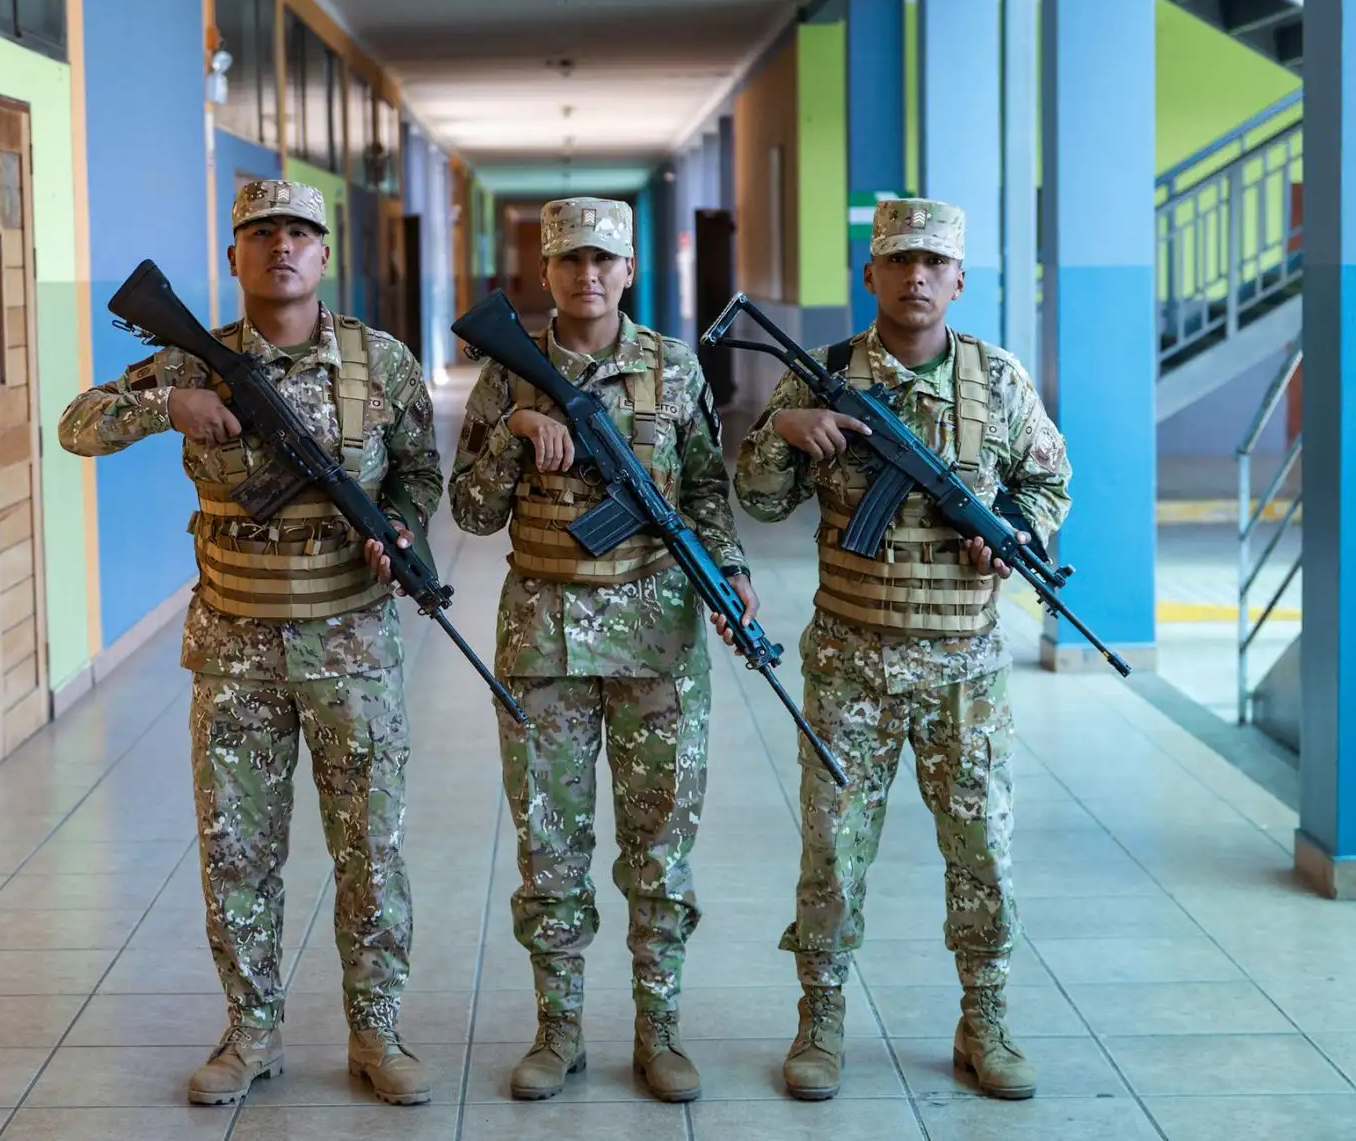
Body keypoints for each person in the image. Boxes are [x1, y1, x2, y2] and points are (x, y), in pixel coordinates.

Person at [57, 179, 440, 1108]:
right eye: (261, 233)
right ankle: (251, 1031)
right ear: (234, 256)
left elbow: (423, 473)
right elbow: (76, 424)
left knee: (371, 849)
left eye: (300, 232)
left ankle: (377, 1030)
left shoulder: (379, 362)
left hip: (351, 644)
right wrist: (166, 408)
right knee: (238, 851)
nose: (282, 247)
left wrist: (399, 532)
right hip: (234, 650)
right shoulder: (195, 361)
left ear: (324, 253)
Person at [731, 199, 1072, 1102]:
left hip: (965, 667)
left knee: (983, 853)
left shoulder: (997, 381)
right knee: (832, 855)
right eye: (898, 261)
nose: (916, 277)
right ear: (870, 276)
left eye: (934, 263)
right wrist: (783, 434)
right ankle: (822, 1021)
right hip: (850, 664)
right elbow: (758, 501)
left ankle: (985, 1018)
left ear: (959, 280)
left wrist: (1017, 532)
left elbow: (1048, 478)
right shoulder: (823, 378)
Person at [448, 196, 755, 1104]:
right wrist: (512, 439)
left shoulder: (672, 367)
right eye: (570, 260)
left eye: (604, 261)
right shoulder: (509, 373)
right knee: (551, 849)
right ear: (544, 273)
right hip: (543, 642)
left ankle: (659, 1032)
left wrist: (731, 571)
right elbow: (468, 512)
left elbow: (704, 490)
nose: (588, 275)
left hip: (658, 644)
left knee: (660, 848)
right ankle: (558, 1033)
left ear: (629, 272)